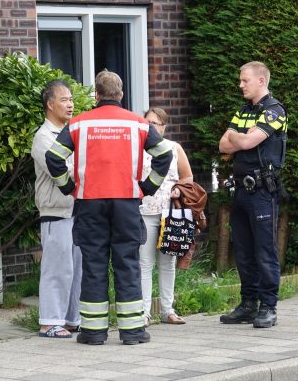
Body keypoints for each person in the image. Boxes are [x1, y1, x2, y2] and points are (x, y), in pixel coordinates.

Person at [46, 70, 172, 346]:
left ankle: (93, 332)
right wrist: (147, 187)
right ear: (121, 94)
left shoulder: (78, 124)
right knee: (127, 262)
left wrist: (69, 188)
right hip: (126, 202)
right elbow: (164, 154)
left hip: (90, 203)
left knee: (93, 264)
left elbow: (54, 157)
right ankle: (132, 331)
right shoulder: (139, 124)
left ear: (96, 95)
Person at [218, 61, 287, 328]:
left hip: (262, 191)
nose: (241, 85)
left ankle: (268, 306)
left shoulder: (275, 111)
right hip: (240, 189)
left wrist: (237, 136)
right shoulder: (243, 110)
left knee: (264, 250)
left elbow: (244, 142)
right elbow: (222, 144)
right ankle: (249, 304)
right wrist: (240, 137)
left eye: (245, 80)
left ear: (261, 80)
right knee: (243, 250)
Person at [31, 80, 82, 339]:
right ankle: (49, 322)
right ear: (50, 105)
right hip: (55, 211)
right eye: (64, 100)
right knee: (57, 268)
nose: (70, 104)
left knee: (75, 269)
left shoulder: (70, 133)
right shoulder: (43, 137)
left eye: (71, 99)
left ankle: (71, 319)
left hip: (76, 211)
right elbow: (61, 169)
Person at [139, 108, 193, 327]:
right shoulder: (137, 148)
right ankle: (144, 312)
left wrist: (179, 189)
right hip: (144, 212)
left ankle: (167, 310)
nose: (150, 127)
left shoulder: (174, 148)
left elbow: (187, 177)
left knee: (168, 263)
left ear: (164, 127)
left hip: (169, 214)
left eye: (155, 123)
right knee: (144, 263)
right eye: (147, 122)